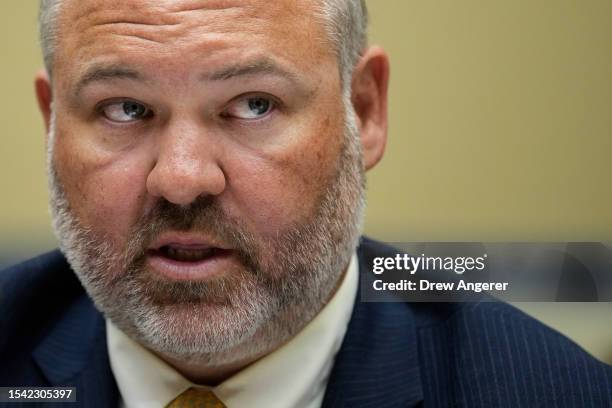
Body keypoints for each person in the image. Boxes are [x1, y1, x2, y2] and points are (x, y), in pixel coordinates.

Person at [0, 0, 610, 407]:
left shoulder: (544, 390)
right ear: (52, 122)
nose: (182, 180)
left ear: (364, 111)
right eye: (125, 109)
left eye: (254, 104)